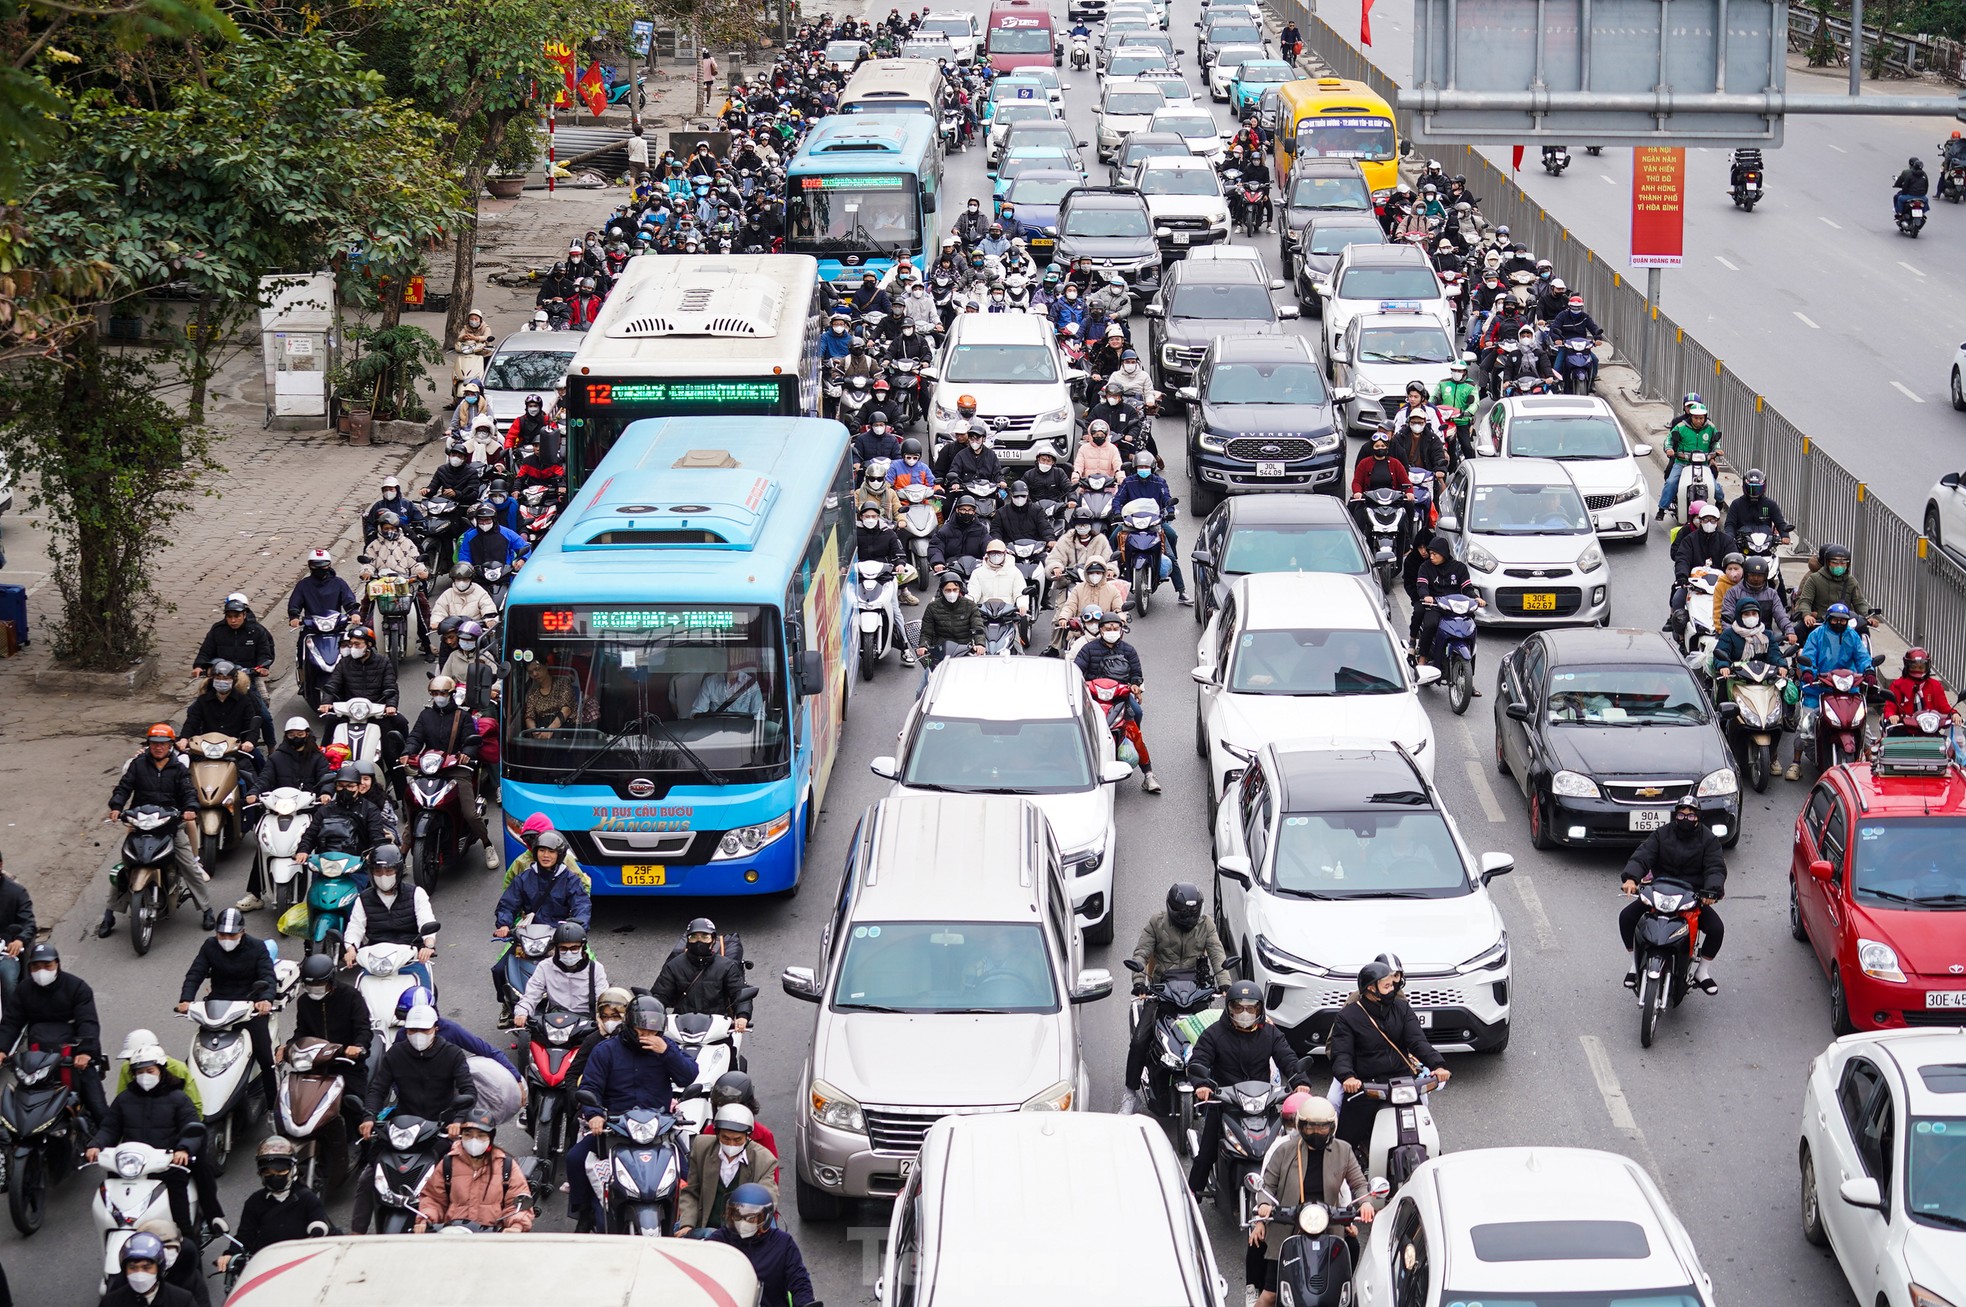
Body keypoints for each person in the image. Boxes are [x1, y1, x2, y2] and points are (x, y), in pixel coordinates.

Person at [567, 996, 700, 1230]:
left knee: (691, 1170)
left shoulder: (665, 1047)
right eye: (642, 1028)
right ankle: (585, 1211)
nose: (647, 1034)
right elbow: (589, 1087)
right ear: (629, 1024)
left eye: (653, 1030)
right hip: (614, 1126)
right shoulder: (605, 1050)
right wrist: (594, 1114)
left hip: (658, 1127)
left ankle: (688, 1223)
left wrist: (667, 1051)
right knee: (575, 1158)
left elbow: (689, 1075)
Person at [354, 1004, 474, 1233]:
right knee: (369, 1176)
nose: (417, 1035)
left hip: (439, 1130)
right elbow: (378, 1089)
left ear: (436, 1029)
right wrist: (369, 1116)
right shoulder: (396, 1054)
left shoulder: (453, 1054)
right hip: (402, 1130)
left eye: (424, 1030)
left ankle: (456, 1228)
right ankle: (355, 1234)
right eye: (412, 1030)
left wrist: (457, 1120)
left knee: (457, 1179)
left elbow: (467, 1090)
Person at [1186, 982, 1313, 1196]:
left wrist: (1300, 1081)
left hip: (1264, 1104)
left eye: (1250, 1008)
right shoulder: (1214, 1033)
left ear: (1260, 1009)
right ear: (1228, 1008)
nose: (1245, 1013)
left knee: (1291, 1147)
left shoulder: (1270, 1034)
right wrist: (1202, 1084)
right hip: (1226, 1104)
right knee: (1207, 1153)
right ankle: (1191, 1198)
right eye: (1238, 1008)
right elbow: (1199, 1060)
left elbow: (1288, 1058)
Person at [1250, 1097, 1372, 1307]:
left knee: (1347, 1266)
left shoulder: (1344, 1150)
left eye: (1322, 1127)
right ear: (1300, 1126)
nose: (1316, 1132)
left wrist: (1366, 1203)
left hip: (1329, 1224)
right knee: (1270, 1294)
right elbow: (1266, 1185)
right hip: (1287, 1225)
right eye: (1310, 1127)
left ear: (1332, 1127)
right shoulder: (1285, 1150)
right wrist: (1263, 1206)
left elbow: (1359, 1183)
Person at [1120, 884, 1230, 1114]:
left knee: (1223, 1038)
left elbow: (1218, 954)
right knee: (1140, 1040)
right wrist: (1139, 981)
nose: (1189, 918)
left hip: (1197, 992)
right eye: (1184, 914)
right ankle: (1130, 1095)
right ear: (1171, 909)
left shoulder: (1206, 924)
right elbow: (1140, 953)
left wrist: (1225, 984)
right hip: (1163, 993)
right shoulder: (1156, 923)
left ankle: (1227, 1090)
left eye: (1193, 913)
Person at [87, 1044, 214, 1237]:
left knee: (179, 1207)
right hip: (133, 1166)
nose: (144, 1076)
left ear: (160, 1071)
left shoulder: (178, 1099)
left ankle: (189, 1243)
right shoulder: (124, 1100)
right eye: (139, 1072)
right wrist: (96, 1145)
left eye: (149, 1071)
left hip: (166, 1165)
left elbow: (192, 1128)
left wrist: (183, 1150)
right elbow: (110, 1128)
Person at [102, 724, 214, 937]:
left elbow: (188, 791)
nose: (158, 748)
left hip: (170, 827)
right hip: (140, 826)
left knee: (190, 866)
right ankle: (109, 913)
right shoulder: (138, 765)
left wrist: (190, 808)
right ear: (149, 745)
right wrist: (116, 806)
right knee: (125, 868)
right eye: (154, 744)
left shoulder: (179, 768)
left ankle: (207, 909)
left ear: (171, 745)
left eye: (163, 744)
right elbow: (124, 787)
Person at [1329, 959, 1448, 1158]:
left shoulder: (1402, 1009)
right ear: (1370, 989)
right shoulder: (1348, 1016)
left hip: (1402, 1082)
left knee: (1426, 1136)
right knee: (1342, 1147)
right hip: (1367, 1086)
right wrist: (1348, 1077)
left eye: (1392, 984)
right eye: (1387, 986)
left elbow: (1418, 1042)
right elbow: (1342, 1053)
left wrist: (1438, 1064)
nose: (1392, 988)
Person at [176, 908, 278, 1121]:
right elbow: (195, 973)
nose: (226, 939)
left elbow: (268, 977)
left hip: (250, 1008)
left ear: (242, 931)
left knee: (266, 1058)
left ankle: (273, 1108)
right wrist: (185, 1000)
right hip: (217, 1008)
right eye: (222, 934)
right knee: (193, 1059)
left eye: (231, 935)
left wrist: (265, 1000)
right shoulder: (210, 947)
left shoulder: (257, 948)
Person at [1620, 796, 1726, 991]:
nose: (1686, 819)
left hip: (1691, 896)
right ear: (1675, 815)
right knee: (1626, 917)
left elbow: (1715, 868)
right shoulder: (1661, 834)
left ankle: (1702, 971)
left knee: (1716, 929)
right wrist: (1631, 878)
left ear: (1698, 817)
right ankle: (1635, 964)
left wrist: (1711, 891)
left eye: (1691, 815)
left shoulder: (1709, 840)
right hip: (1659, 891)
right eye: (1681, 814)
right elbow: (1643, 856)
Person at [0, 943, 108, 1121]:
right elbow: (11, 1022)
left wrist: (85, 1053)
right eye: (36, 966)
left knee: (99, 1109)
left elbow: (87, 1022)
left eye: (47, 965)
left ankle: (107, 1144)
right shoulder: (24, 990)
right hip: (36, 1062)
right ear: (30, 968)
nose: (41, 971)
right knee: (15, 1112)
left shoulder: (77, 988)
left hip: (73, 1058)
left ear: (57, 964)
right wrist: (2, 1050)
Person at [401, 675, 498, 868]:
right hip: (430, 770)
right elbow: (415, 737)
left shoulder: (462, 717)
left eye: (443, 693)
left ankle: (487, 845)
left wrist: (466, 753)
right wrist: (407, 752)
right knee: (415, 807)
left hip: (455, 769)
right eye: (435, 693)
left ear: (451, 694)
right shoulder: (425, 716)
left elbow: (471, 739)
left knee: (470, 813)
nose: (439, 697)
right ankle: (401, 858)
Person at [220, 1139, 331, 1279]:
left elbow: (319, 1228)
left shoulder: (308, 1199)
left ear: (293, 1170)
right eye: (268, 1172)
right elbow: (245, 1236)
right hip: (264, 1270)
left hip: (301, 1270)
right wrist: (230, 1254)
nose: (275, 1177)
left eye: (281, 1171)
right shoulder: (254, 1202)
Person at [1075, 612, 1159, 793]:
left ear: (1121, 630)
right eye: (1108, 628)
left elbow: (1137, 674)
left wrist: (1135, 685)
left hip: (1121, 697)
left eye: (1115, 628)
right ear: (1101, 630)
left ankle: (1149, 775)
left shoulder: (1129, 650)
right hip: (1094, 698)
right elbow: (1077, 671)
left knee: (1136, 716)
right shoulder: (1088, 650)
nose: (1112, 631)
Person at [415, 1107, 534, 1232]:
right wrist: (426, 1219)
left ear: (490, 1138)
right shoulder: (448, 1163)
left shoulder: (506, 1166)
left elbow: (517, 1204)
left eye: (481, 1136)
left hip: (491, 1240)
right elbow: (433, 1199)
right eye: (468, 1135)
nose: (474, 1140)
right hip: (452, 1235)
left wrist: (516, 1225)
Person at [342, 844, 437, 987]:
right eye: (378, 872)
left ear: (397, 871)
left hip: (410, 959)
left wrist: (428, 945)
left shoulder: (416, 893)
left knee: (424, 1001)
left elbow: (426, 920)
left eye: (388, 871)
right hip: (376, 961)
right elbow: (355, 928)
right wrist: (351, 949)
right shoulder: (363, 898)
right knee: (361, 1001)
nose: (383, 876)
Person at [675, 1104, 778, 1236]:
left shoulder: (764, 1160)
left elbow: (768, 1198)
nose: (731, 1144)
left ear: (748, 1136)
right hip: (705, 1228)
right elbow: (691, 1192)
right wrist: (687, 1225)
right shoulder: (701, 1148)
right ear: (717, 1134)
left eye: (737, 1140)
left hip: (744, 1230)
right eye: (725, 1138)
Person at [709, 1186, 820, 1307]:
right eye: (737, 1216)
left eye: (750, 1218)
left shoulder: (782, 1243)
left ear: (766, 1218)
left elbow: (799, 1282)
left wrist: (805, 1302)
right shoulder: (719, 1241)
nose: (742, 1222)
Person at [193, 593, 277, 748]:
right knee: (196, 709)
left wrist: (262, 667)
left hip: (247, 678)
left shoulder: (257, 631)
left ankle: (272, 749)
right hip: (220, 677)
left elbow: (265, 654)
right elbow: (206, 651)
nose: (233, 620)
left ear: (244, 614)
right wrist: (199, 666)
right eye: (229, 616)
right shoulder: (217, 631)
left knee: (264, 715)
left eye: (236, 616)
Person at [288, 952, 372, 1096]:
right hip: (314, 1065)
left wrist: (358, 1046)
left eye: (319, 984)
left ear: (331, 980)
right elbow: (302, 1032)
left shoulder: (351, 996)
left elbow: (363, 1028)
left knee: (355, 1107)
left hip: (347, 1063)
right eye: (310, 985)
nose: (315, 988)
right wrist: (289, 1047)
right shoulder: (304, 1002)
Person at [314, 624, 403, 760]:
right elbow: (333, 684)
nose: (353, 647)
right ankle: (322, 765)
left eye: (357, 644)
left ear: (368, 644)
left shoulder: (383, 662)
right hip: (349, 712)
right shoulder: (344, 663)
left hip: (376, 712)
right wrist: (326, 702)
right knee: (329, 730)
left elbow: (391, 686)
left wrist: (391, 705)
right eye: (351, 644)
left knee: (397, 732)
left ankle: (404, 762)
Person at [652, 917, 754, 1029]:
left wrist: (742, 1016)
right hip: (681, 1027)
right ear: (688, 940)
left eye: (704, 937)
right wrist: (651, 1013)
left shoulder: (727, 966)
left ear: (713, 939)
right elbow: (660, 995)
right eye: (693, 937)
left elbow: (739, 994)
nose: (698, 941)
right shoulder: (674, 966)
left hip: (717, 1027)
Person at [1119, 451, 1191, 606]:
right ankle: (1114, 580)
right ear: (1134, 467)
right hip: (1131, 523)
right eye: (1140, 466)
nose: (1142, 469)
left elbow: (1166, 498)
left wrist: (1170, 511)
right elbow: (1118, 499)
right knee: (1113, 539)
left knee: (1171, 538)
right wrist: (1117, 513)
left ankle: (1182, 591)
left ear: (1151, 467)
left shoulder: (1160, 482)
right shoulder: (1128, 482)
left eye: (1145, 466)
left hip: (1154, 523)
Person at [514, 921, 610, 1028]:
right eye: (563, 948)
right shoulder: (545, 966)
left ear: (583, 947)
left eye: (574, 948)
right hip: (555, 1021)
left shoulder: (596, 968)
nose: (568, 953)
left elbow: (603, 1001)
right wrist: (522, 1012)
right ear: (557, 948)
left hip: (586, 1023)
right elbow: (531, 996)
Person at [1409, 535, 1477, 666]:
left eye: (1435, 554)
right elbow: (1422, 585)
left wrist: (1476, 598)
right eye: (1430, 554)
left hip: (1456, 608)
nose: (1431, 557)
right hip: (1435, 606)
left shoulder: (1460, 568)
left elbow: (1467, 588)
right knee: (1430, 624)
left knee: (1470, 627)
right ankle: (1423, 658)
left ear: (1444, 553)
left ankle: (1469, 670)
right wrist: (1426, 596)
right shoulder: (1425, 567)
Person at [1655, 403, 1722, 520]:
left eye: (1701, 418)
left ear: (1705, 417)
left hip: (1703, 464)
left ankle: (1720, 502)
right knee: (1671, 482)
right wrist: (1669, 448)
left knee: (1715, 487)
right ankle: (1661, 509)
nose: (1698, 421)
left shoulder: (1710, 427)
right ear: (1690, 416)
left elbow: (1715, 441)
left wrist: (1717, 449)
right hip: (1682, 462)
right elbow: (1669, 439)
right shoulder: (1681, 427)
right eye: (1696, 418)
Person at [101, 1232, 196, 1307]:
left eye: (146, 1267)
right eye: (132, 1267)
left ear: (158, 1268)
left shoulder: (182, 1301)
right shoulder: (111, 1302)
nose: (139, 1273)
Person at [1794, 542, 1872, 630]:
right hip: (1820, 622)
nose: (1839, 566)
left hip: (1844, 623)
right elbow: (1805, 601)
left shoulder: (1851, 581)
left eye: (1843, 563)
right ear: (1827, 563)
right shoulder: (1814, 579)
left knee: (1864, 632)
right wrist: (1807, 615)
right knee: (1798, 631)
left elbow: (1860, 603)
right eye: (1835, 562)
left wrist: (1867, 617)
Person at [1886, 646, 1959, 731]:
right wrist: (1892, 715)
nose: (1917, 670)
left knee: (1950, 743)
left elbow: (1943, 706)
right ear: (1907, 666)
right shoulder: (1897, 685)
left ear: (1927, 666)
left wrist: (1954, 714)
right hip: (1904, 730)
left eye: (1921, 667)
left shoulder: (1935, 685)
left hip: (1930, 730)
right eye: (1914, 667)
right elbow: (1890, 706)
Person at [286, 549, 359, 629]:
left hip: (335, 626)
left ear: (329, 565)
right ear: (309, 565)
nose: (319, 569)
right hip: (312, 627)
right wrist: (294, 617)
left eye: (323, 566)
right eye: (315, 566)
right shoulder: (303, 585)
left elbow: (348, 600)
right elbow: (295, 602)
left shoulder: (338, 583)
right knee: (302, 640)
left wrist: (354, 613)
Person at [0, 849, 34, 1003]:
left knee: (8, 980)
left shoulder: (16, 892)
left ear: (0, 865)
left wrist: (19, 940)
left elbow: (28, 923)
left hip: (6, 953)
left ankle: (12, 1021)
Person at [1723, 468, 1794, 541]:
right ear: (1744, 487)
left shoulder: (1770, 504)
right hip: (1742, 543)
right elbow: (1730, 524)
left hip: (1765, 545)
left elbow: (1780, 523)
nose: (1754, 492)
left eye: (1757, 489)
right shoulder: (1736, 504)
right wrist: (1729, 536)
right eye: (1750, 488)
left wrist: (1785, 535)